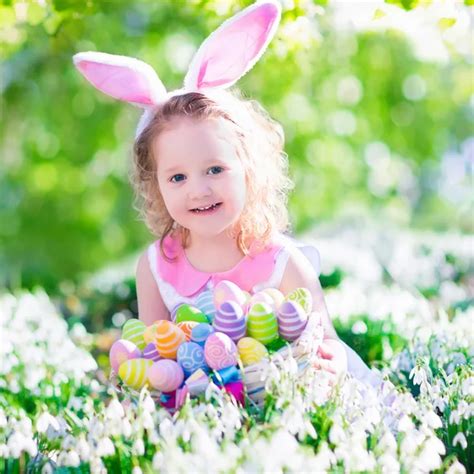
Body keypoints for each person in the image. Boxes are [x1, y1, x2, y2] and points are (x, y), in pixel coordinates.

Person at [73, 0, 378, 387]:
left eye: (215, 169)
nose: (199, 189)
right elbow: (159, 356)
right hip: (206, 416)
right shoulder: (155, 268)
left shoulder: (281, 261)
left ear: (249, 168)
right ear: (156, 185)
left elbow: (325, 344)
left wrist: (330, 362)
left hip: (287, 401)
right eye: (177, 178)